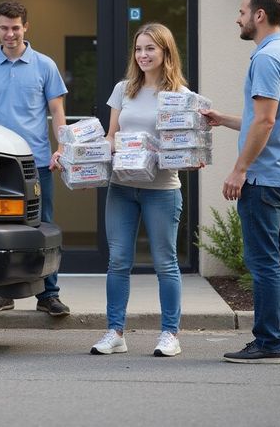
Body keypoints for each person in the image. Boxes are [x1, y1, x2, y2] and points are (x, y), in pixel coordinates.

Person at [202, 0, 280, 364]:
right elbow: (262, 119)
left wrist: (239, 169)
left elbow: (264, 123)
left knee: (265, 262)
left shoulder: (264, 59)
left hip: (263, 178)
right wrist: (224, 119)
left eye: (242, 11)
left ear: (259, 15)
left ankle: (268, 343)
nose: (238, 17)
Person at [91, 22, 189, 357]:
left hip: (161, 190)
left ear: (165, 52)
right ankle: (115, 332)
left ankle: (169, 334)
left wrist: (179, 155)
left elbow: (186, 146)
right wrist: (78, 154)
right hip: (121, 187)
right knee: (118, 261)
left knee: (165, 263)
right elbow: (110, 136)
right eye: (138, 49)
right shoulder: (124, 90)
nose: (143, 55)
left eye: (150, 48)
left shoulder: (180, 97)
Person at [0, 0, 70, 316]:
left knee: (43, 225)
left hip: (37, 161)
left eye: (15, 28)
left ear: (26, 27)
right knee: (0, 226)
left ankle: (49, 295)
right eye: (4, 28)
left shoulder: (45, 66)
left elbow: (57, 112)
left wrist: (62, 148)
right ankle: (2, 293)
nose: (10, 34)